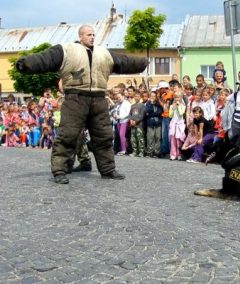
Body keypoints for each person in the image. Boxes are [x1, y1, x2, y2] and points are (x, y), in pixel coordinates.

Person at [15, 25, 148, 184]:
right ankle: (59, 171)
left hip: (99, 99)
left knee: (104, 137)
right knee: (67, 136)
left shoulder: (103, 53)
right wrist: (26, 63)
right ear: (80, 36)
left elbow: (124, 61)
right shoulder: (67, 50)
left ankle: (108, 170)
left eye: (93, 34)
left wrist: (142, 63)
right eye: (88, 34)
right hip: (75, 99)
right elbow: (46, 58)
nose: (92, 37)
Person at [168, 92, 186, 161]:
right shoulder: (172, 106)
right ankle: (173, 155)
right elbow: (170, 115)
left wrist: (178, 106)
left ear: (181, 98)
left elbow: (181, 113)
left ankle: (179, 155)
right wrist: (173, 108)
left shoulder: (183, 106)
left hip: (179, 124)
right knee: (173, 140)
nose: (177, 99)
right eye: (176, 97)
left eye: (178, 97)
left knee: (179, 140)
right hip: (173, 124)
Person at [145, 91, 163, 158]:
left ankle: (156, 152)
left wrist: (151, 114)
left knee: (157, 137)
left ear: (156, 97)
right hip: (150, 123)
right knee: (150, 137)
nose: (153, 97)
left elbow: (160, 112)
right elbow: (147, 112)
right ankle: (150, 152)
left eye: (154, 96)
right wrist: (151, 104)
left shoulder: (158, 104)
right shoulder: (148, 103)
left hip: (158, 123)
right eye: (151, 96)